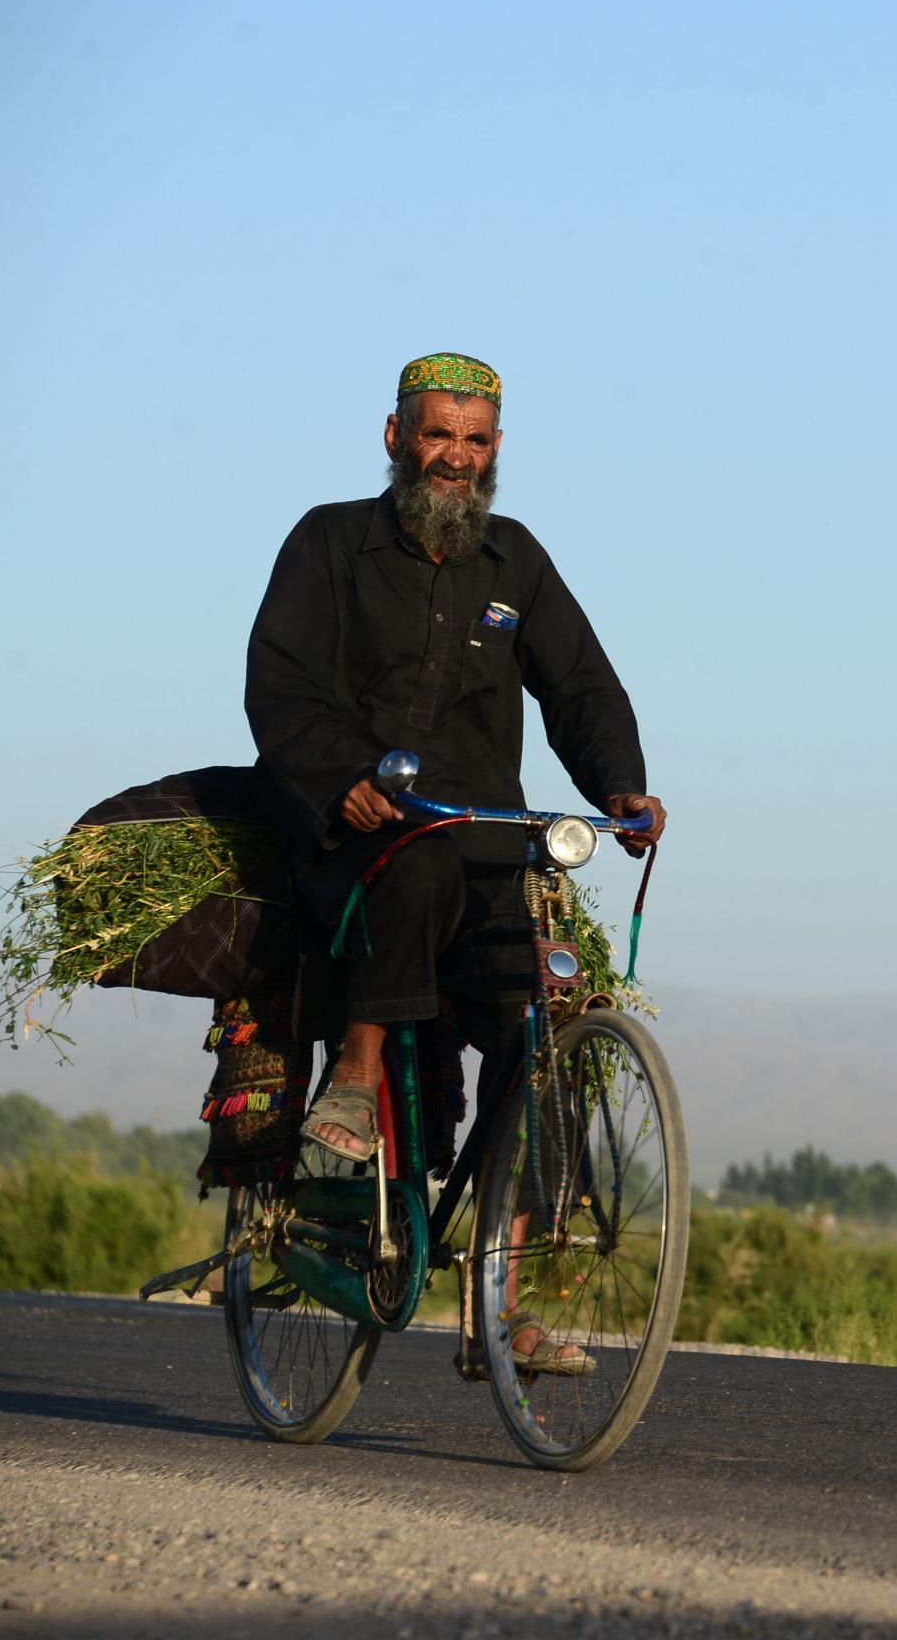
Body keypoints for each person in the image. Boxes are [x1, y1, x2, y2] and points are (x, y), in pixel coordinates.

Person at [244, 353, 666, 1367]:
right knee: (417, 862)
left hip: (489, 851)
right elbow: (280, 684)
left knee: (546, 1024)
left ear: (496, 452)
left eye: (476, 442)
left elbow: (581, 689)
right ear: (396, 436)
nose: (456, 459)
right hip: (355, 850)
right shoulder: (330, 542)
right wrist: (339, 773)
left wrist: (621, 784)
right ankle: (352, 1079)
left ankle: (502, 1305)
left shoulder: (514, 562)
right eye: (439, 435)